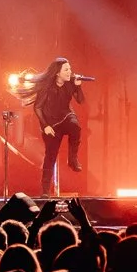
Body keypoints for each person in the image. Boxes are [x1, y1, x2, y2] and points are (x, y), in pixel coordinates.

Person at [22, 57, 86, 197]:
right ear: (58, 72)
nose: (70, 72)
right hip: (51, 124)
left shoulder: (71, 84)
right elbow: (37, 107)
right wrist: (45, 126)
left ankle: (72, 159)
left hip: (66, 116)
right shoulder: (47, 87)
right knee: (50, 156)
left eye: (70, 69)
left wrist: (78, 85)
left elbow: (81, 101)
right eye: (66, 69)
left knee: (76, 127)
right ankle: (45, 190)